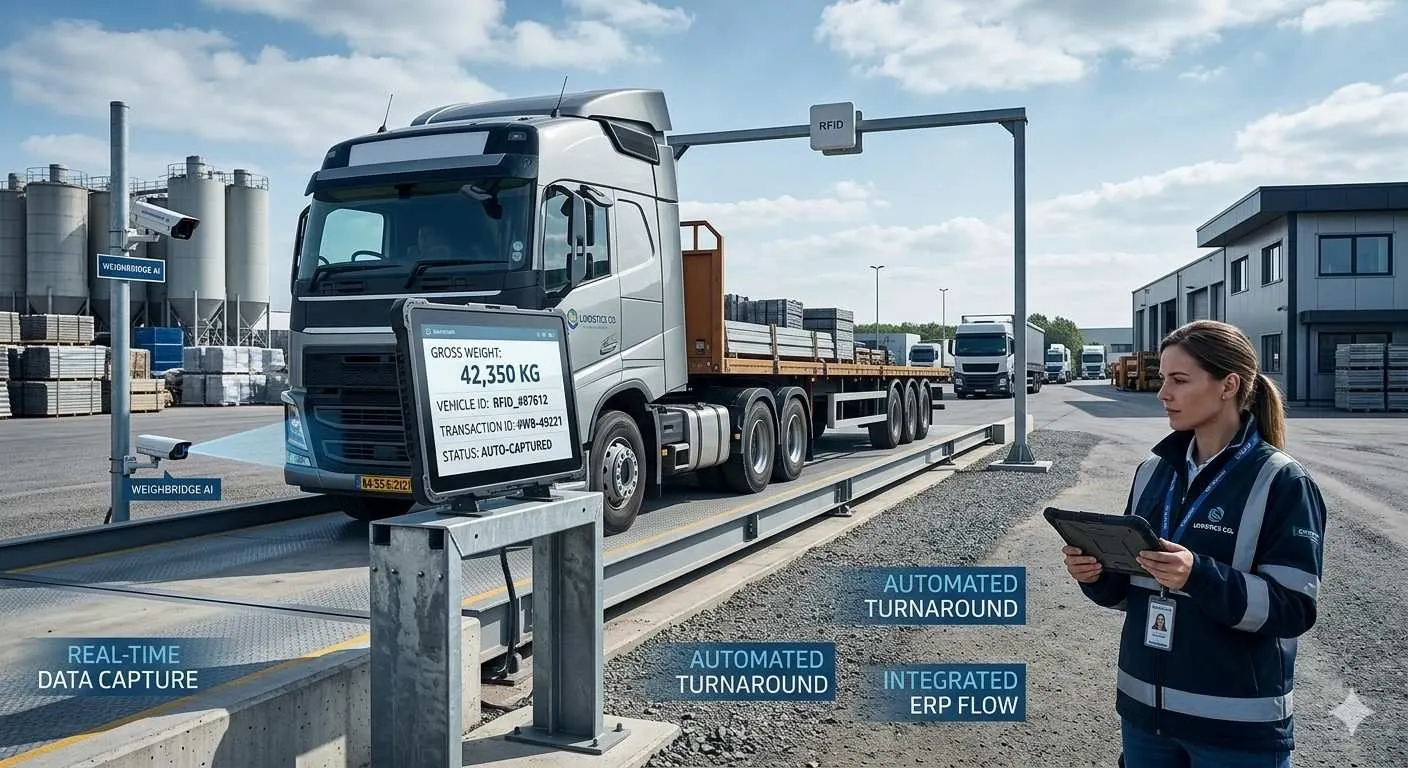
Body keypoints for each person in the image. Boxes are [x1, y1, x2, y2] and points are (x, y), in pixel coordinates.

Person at [1063, 320, 1328, 768]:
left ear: (1229, 385)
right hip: (1146, 718)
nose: (1163, 393)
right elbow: (1132, 591)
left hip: (1235, 729)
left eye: (1179, 380)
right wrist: (1096, 575)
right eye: (1163, 378)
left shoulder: (1283, 482)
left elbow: (1294, 608)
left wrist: (1198, 575)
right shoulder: (1152, 471)